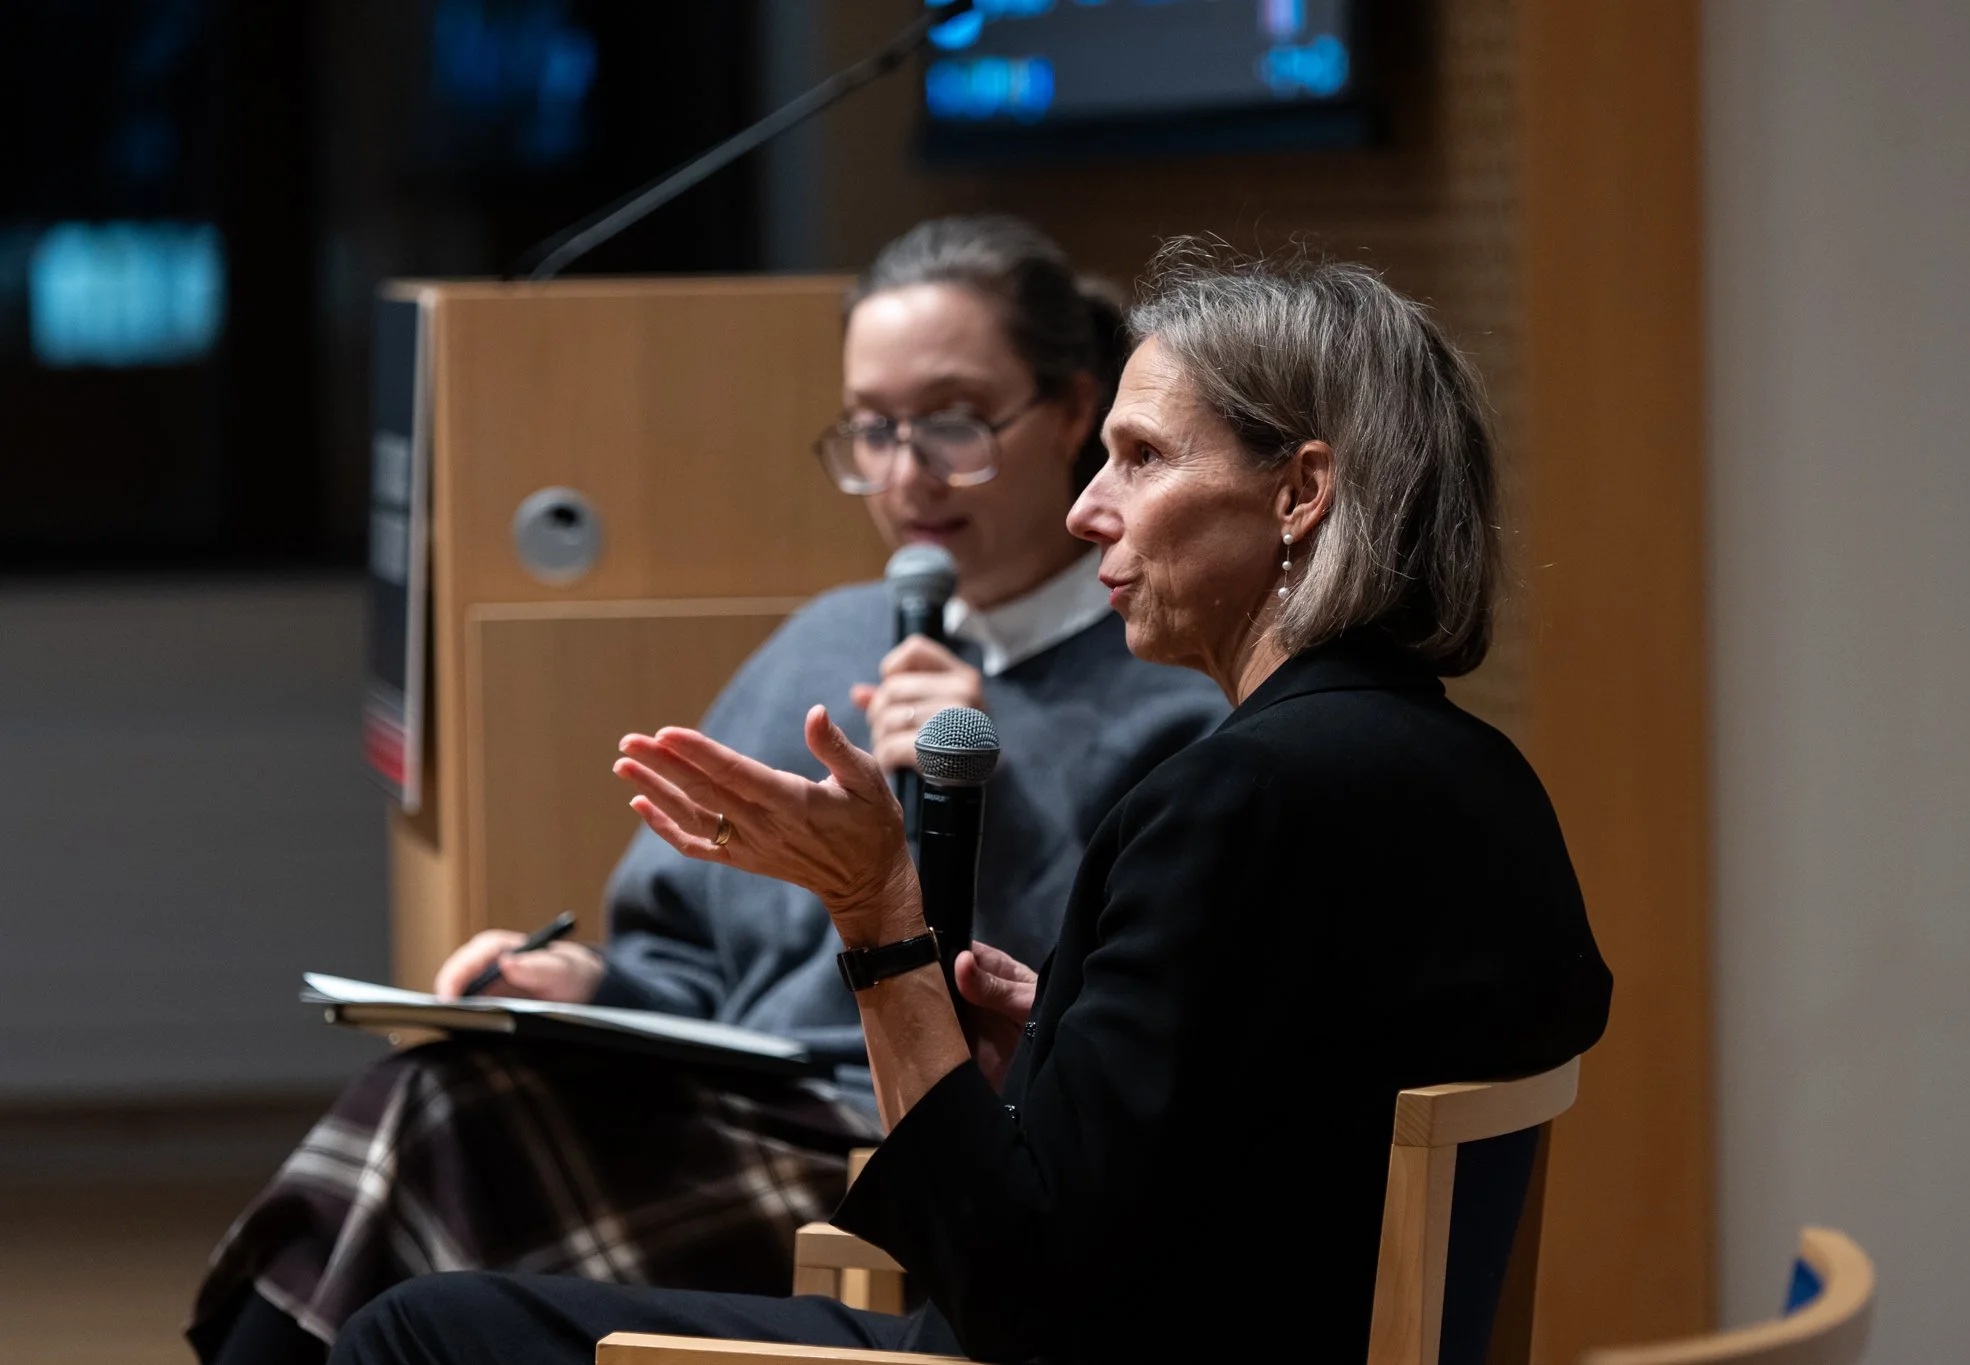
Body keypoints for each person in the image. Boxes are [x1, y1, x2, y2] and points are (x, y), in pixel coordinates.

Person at [328, 240, 1617, 1365]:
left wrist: (874, 908)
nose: (1086, 509)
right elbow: (1254, 1134)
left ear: (1298, 493)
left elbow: (1009, 1283)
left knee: (416, 1331)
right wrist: (1050, 1036)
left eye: (1139, 457)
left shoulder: (1236, 800)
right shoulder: (1481, 779)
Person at [187, 217, 1228, 1364]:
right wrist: (581, 979)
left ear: (1073, 412)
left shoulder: (1166, 681)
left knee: (437, 1131)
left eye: (951, 423)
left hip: (893, 1141)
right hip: (720, 1098)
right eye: (871, 431)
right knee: (441, 1088)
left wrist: (986, 782)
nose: (904, 473)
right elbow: (685, 953)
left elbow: (1084, 1025)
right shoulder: (828, 636)